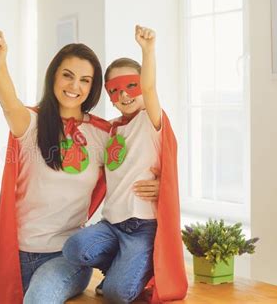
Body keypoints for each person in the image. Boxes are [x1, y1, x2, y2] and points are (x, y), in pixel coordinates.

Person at [0, 31, 160, 304]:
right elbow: (9, 104)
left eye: (85, 80)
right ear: (53, 76)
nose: (74, 86)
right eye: (67, 75)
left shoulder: (104, 133)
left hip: (68, 255)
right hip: (19, 252)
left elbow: (137, 163)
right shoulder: (31, 123)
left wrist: (163, 186)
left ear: (92, 88)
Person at [63, 25, 188, 303]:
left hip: (142, 227)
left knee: (118, 294)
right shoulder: (113, 129)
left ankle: (137, 271)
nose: (124, 95)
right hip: (112, 225)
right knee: (74, 248)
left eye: (132, 85)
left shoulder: (151, 121)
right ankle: (118, 266)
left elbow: (151, 88)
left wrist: (148, 50)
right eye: (115, 90)